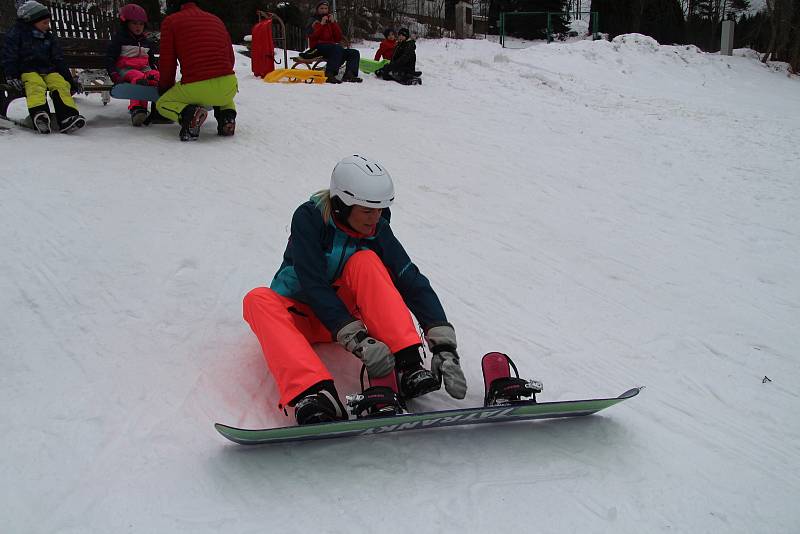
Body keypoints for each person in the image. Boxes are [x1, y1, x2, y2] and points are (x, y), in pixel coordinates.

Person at [243, 155, 467, 425]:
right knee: (256, 299)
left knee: (366, 261)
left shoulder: (377, 228)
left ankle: (407, 364)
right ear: (341, 205)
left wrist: (443, 344)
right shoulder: (310, 218)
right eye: (367, 210)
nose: (376, 218)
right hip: (303, 317)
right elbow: (313, 282)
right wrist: (357, 339)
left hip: (344, 318)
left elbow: (408, 277)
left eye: (381, 209)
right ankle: (315, 394)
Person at [156, 0, 237, 141]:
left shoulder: (171, 21)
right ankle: (227, 117)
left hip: (197, 86)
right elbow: (230, 58)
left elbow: (167, 62)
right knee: (223, 96)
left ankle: (189, 115)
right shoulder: (216, 19)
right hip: (229, 84)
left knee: (162, 103)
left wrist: (165, 88)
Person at [2, 0, 85, 134]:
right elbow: (9, 56)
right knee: (36, 84)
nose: (48, 26)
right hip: (27, 70)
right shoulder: (17, 34)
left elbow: (58, 59)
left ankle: (67, 116)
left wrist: (70, 81)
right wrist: (11, 75)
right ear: (32, 21)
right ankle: (39, 115)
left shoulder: (48, 37)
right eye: (44, 23)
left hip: (48, 70)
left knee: (60, 84)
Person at [106, 3, 159, 127]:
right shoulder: (120, 39)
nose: (138, 27)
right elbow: (110, 58)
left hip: (144, 68)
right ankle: (136, 108)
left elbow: (151, 60)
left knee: (158, 77)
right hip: (126, 69)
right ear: (126, 23)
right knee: (139, 78)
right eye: (134, 23)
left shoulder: (146, 41)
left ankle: (159, 109)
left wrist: (155, 69)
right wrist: (114, 74)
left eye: (141, 24)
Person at [305, 1, 362, 84]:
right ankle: (329, 74)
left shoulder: (329, 21)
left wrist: (334, 23)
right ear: (317, 10)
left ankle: (350, 74)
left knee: (354, 53)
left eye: (326, 8)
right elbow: (312, 36)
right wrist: (321, 24)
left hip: (332, 48)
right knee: (337, 47)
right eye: (321, 8)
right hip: (317, 47)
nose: (324, 10)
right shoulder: (313, 20)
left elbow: (338, 38)